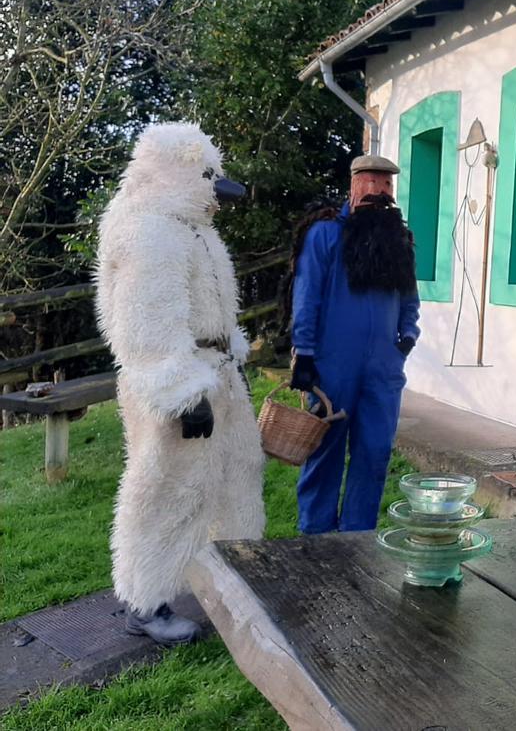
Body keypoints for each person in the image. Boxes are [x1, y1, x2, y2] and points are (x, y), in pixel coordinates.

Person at [96, 123, 265, 645]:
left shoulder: (192, 229)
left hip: (215, 375)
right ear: (184, 176)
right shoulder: (150, 232)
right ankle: (147, 602)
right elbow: (147, 325)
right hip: (178, 383)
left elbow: (211, 307)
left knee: (235, 474)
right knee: (169, 489)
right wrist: (181, 393)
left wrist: (228, 360)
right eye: (210, 182)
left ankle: (231, 578)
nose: (219, 198)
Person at [289, 153, 421, 533]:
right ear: (353, 184)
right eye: (371, 181)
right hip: (332, 365)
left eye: (386, 184)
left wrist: (408, 336)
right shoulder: (325, 234)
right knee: (324, 451)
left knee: (375, 453)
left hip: (383, 369)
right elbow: (307, 295)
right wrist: (305, 353)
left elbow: (410, 297)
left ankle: (357, 537)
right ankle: (315, 537)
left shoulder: (400, 242)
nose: (379, 190)